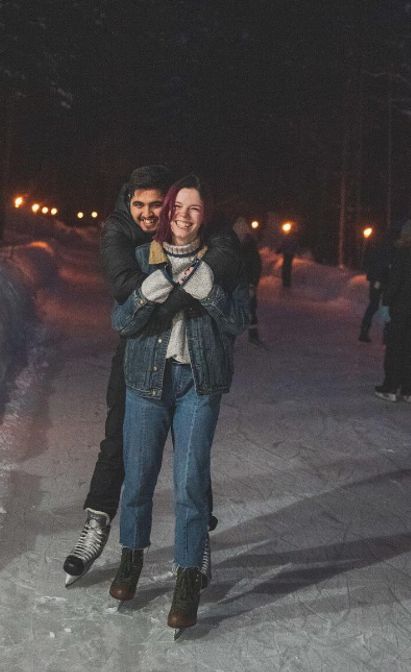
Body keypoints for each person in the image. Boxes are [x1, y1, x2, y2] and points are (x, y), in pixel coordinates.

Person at [62, 166, 240, 587]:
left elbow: (226, 246)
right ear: (128, 204)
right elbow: (124, 285)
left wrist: (203, 274)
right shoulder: (119, 228)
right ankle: (98, 522)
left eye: (157, 204)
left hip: (186, 356)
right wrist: (178, 292)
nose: (147, 213)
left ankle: (197, 538)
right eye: (138, 204)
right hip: (138, 346)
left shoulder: (193, 221)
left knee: (191, 457)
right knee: (119, 441)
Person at [108, 175, 251, 633]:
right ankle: (131, 560)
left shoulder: (223, 264)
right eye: (178, 207)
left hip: (199, 384)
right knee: (138, 478)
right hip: (146, 383)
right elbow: (121, 322)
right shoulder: (142, 258)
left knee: (190, 483)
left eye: (194, 208)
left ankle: (187, 579)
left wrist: (211, 292)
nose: (184, 216)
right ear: (167, 210)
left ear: (204, 216)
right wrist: (143, 295)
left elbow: (240, 320)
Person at [374, 219, 411, 404]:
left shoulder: (402, 252)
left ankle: (391, 387)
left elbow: (395, 281)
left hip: (400, 306)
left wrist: (386, 303)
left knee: (395, 346)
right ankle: (408, 390)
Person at [232, 218, 264, 345]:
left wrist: (252, 284)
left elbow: (256, 267)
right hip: (233, 285)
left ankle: (253, 336)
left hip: (246, 284)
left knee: (250, 309)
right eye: (237, 233)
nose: (239, 236)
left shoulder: (250, 249)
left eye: (241, 233)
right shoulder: (232, 247)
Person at [358, 230, 391, 343]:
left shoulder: (374, 246)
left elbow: (366, 261)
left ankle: (365, 330)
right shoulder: (388, 247)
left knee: (374, 305)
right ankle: (386, 334)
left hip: (376, 280)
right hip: (384, 280)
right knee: (386, 306)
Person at [277, 223, 299, 289]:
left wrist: (279, 250)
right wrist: (297, 252)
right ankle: (287, 282)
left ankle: (285, 282)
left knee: (285, 267)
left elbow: (283, 244)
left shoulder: (288, 237)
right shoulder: (294, 238)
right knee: (288, 267)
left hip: (287, 253)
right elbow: (296, 246)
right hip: (291, 254)